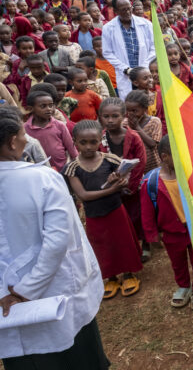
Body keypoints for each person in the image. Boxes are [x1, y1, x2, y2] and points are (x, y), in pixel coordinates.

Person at [0, 116, 109, 369]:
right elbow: (58, 241)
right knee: (74, 355)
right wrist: (25, 291)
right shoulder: (42, 179)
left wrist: (7, 293)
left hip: (6, 306)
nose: (26, 139)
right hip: (53, 295)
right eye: (21, 135)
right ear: (11, 143)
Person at [62, 120, 143, 300]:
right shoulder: (71, 168)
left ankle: (128, 274)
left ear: (101, 140)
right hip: (93, 214)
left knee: (122, 240)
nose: (89, 147)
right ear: (74, 141)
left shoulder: (111, 159)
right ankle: (110, 277)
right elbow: (83, 195)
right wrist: (111, 190)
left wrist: (119, 180)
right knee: (101, 245)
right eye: (83, 142)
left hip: (115, 209)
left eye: (93, 142)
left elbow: (125, 179)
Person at [140, 135, 193, 310]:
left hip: (192, 229)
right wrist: (152, 235)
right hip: (170, 232)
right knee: (177, 261)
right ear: (165, 156)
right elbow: (146, 213)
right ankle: (184, 285)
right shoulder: (150, 182)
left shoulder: (189, 174)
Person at [101, 0, 156, 99]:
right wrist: (125, 69)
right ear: (116, 11)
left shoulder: (146, 24)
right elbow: (107, 52)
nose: (127, 12)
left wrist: (144, 66)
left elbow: (153, 48)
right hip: (125, 75)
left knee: (148, 102)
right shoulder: (108, 28)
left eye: (129, 8)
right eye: (123, 10)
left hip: (145, 71)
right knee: (131, 103)